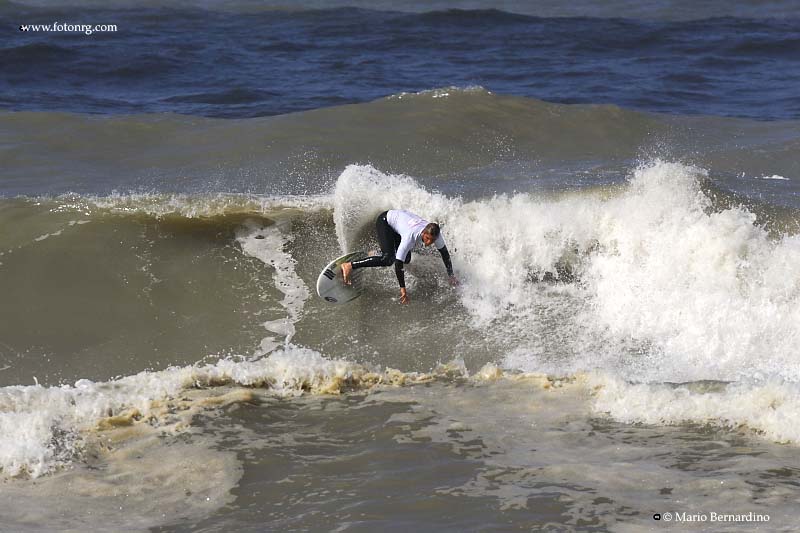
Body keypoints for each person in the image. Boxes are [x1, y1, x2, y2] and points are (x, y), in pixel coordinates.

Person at [341, 209, 458, 304]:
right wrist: (403, 289)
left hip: (399, 224)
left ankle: (378, 253)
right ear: (423, 233)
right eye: (427, 239)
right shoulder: (410, 237)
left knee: (407, 259)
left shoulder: (436, 235)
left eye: (432, 240)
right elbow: (398, 264)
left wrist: (451, 275)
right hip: (385, 221)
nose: (429, 243)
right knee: (388, 260)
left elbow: (445, 254)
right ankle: (349, 265)